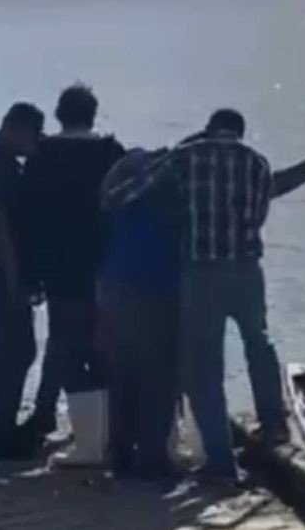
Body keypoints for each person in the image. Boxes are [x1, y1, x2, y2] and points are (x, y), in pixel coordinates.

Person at [103, 109, 305, 479]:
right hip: (247, 270)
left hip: (202, 272)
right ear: (240, 133)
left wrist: (116, 196)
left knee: (203, 368)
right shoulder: (256, 164)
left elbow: (132, 190)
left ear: (210, 129)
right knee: (258, 341)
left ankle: (220, 460)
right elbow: (273, 190)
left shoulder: (188, 157)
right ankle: (273, 420)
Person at [22, 84, 124, 467]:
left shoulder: (42, 155)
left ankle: (48, 412)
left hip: (58, 266)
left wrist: (31, 273)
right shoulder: (111, 154)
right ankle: (104, 425)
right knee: (102, 345)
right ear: (93, 114)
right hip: (105, 264)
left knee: (62, 341)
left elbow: (28, 218)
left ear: (59, 113)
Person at [98, 147, 183, 480]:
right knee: (160, 377)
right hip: (161, 289)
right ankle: (152, 456)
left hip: (118, 286)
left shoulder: (125, 196)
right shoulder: (174, 195)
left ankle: (119, 452)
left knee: (123, 373)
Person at [0, 102, 45, 461]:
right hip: (0, 271)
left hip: (5, 270)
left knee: (18, 348)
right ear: (15, 129)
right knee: (14, 349)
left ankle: (2, 426)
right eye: (33, 135)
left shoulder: (3, 164)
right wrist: (14, 278)